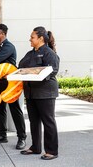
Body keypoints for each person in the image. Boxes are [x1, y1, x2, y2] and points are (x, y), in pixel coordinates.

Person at [19, 26, 59, 160]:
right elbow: (20, 66)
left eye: (32, 37)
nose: (29, 39)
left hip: (45, 92)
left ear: (40, 38)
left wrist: (33, 72)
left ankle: (52, 151)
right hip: (30, 93)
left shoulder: (49, 53)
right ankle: (35, 147)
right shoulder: (30, 53)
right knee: (34, 121)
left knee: (48, 121)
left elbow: (53, 70)